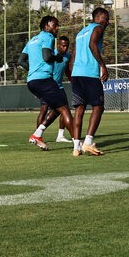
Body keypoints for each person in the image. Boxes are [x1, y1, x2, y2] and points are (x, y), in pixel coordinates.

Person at [19, 16, 78, 154]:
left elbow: (20, 61)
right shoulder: (48, 37)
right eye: (55, 25)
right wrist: (57, 57)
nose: (57, 28)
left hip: (31, 82)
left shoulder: (32, 40)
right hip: (44, 80)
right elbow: (47, 57)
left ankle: (38, 134)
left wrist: (33, 69)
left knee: (57, 108)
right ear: (47, 25)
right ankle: (78, 144)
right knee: (64, 109)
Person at [68, 8, 109, 157]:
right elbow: (93, 45)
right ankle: (88, 142)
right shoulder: (97, 28)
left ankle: (76, 147)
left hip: (77, 75)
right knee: (98, 106)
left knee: (79, 109)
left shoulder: (80, 33)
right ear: (97, 17)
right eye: (105, 18)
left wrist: (72, 73)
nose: (107, 22)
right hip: (89, 74)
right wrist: (102, 66)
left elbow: (73, 55)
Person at [36, 35, 73, 143]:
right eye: (63, 46)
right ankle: (38, 136)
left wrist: (72, 80)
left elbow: (66, 69)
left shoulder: (68, 56)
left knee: (65, 110)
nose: (65, 48)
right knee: (44, 111)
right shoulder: (50, 55)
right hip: (48, 86)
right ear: (58, 45)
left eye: (67, 46)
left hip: (59, 87)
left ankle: (60, 136)